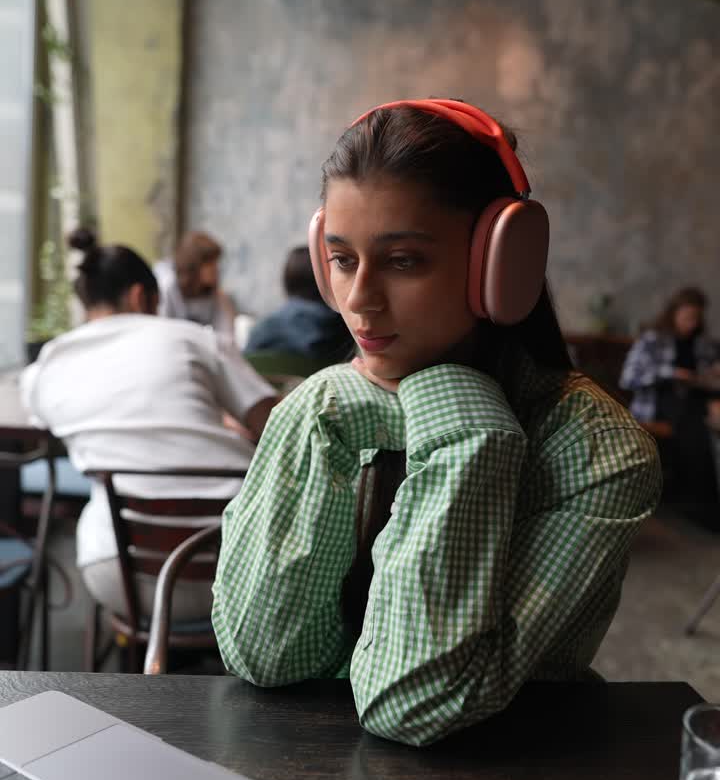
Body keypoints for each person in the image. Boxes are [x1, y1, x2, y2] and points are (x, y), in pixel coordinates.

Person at [212, 99, 661, 746]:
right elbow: (263, 656)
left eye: (403, 261)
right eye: (341, 260)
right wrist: (323, 412)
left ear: (500, 266)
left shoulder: (596, 453)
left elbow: (412, 701)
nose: (360, 301)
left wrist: (462, 424)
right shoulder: (325, 410)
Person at [22, 229, 277, 623]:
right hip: (243, 566)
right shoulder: (193, 339)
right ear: (143, 297)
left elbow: (45, 426)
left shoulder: (47, 367)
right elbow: (279, 425)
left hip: (123, 575)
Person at [620, 287, 720, 527]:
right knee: (695, 427)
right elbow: (629, 378)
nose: (692, 323)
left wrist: (709, 376)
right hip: (659, 403)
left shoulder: (704, 344)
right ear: (673, 313)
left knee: (702, 421)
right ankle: (699, 504)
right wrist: (671, 373)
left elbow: (708, 379)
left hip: (696, 401)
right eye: (687, 318)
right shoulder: (652, 340)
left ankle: (703, 500)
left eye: (696, 318)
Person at [245, 245, 352, 359]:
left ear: (288, 278)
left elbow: (246, 364)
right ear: (325, 276)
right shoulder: (346, 323)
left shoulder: (267, 327)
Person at [154, 230, 236, 337]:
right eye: (210, 264)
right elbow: (160, 329)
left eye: (216, 263)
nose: (216, 270)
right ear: (193, 266)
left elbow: (227, 337)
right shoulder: (167, 287)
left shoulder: (216, 295)